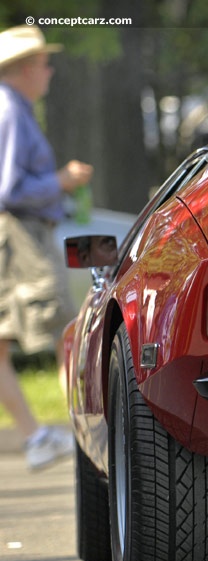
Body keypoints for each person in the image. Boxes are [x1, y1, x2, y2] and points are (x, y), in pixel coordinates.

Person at [0, 24, 93, 471]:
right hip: (19, 235)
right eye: (42, 63)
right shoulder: (11, 111)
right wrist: (63, 180)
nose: (49, 71)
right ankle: (87, 438)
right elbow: (10, 189)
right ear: (22, 69)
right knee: (67, 329)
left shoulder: (11, 107)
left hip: (17, 232)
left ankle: (40, 436)